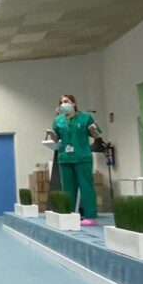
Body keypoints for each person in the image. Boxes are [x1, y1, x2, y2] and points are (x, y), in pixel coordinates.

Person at [46, 93, 101, 226]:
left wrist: (93, 130)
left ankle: (90, 215)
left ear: (74, 103)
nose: (63, 104)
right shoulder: (58, 120)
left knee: (86, 186)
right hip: (65, 158)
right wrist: (52, 134)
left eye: (66, 101)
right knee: (68, 188)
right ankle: (69, 214)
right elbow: (56, 138)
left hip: (82, 157)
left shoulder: (86, 118)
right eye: (61, 102)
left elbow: (96, 135)